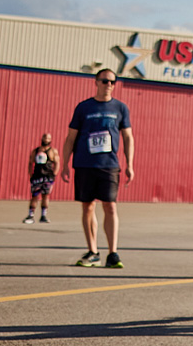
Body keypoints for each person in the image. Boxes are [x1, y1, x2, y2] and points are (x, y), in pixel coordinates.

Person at [61, 69, 133, 269]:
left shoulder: (120, 108)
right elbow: (70, 138)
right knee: (88, 206)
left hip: (109, 165)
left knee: (110, 206)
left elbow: (128, 137)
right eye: (104, 81)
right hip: (84, 163)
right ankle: (93, 251)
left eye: (112, 82)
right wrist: (65, 164)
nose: (108, 85)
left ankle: (113, 253)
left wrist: (130, 164)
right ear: (96, 82)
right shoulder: (84, 107)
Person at [24, 134, 58, 224]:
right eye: (45, 137)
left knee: (45, 196)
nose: (46, 139)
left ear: (50, 140)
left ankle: (43, 216)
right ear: (42, 138)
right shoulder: (35, 151)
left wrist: (54, 174)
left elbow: (57, 162)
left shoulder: (53, 151)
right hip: (37, 176)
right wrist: (30, 175)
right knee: (34, 195)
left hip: (47, 177)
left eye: (48, 138)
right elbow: (30, 163)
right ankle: (30, 215)